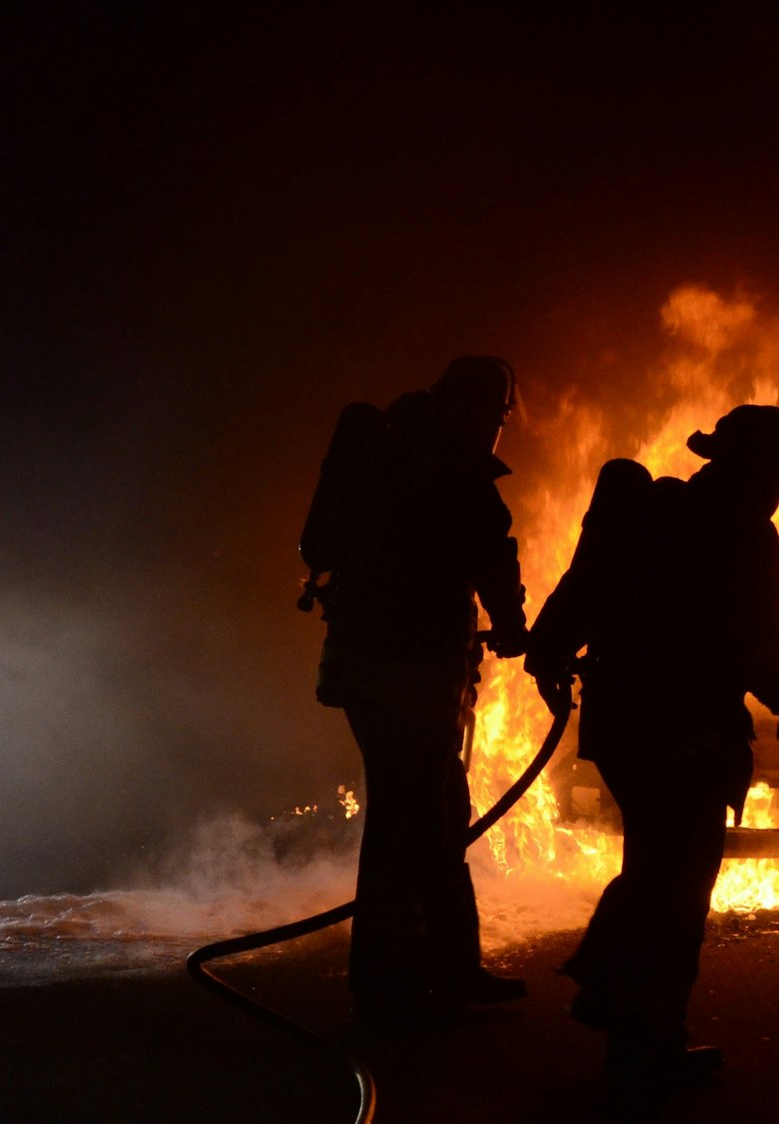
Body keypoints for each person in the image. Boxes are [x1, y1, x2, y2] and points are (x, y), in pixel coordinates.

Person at [525, 404, 779, 1098]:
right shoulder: (743, 536)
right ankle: (639, 1038)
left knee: (654, 872)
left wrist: (546, 650)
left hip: (624, 729)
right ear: (749, 470)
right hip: (687, 733)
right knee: (675, 892)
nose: (777, 489)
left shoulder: (646, 514)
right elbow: (757, 639)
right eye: (773, 475)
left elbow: (582, 587)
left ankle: (618, 1010)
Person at [298, 355, 532, 1026]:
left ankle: (440, 969)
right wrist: (515, 630)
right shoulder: (453, 473)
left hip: (363, 669)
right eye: (494, 417)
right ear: (474, 411)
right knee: (413, 819)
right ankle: (389, 985)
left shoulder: (385, 460)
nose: (494, 430)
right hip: (413, 674)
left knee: (427, 812)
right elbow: (492, 556)